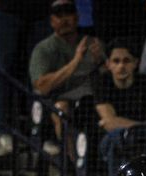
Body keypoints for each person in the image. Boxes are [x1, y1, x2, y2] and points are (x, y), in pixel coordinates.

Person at [28, 0, 105, 155]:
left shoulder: (92, 44)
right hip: (58, 100)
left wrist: (102, 63)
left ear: (77, 17)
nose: (64, 20)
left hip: (91, 99)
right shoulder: (44, 49)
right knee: (61, 108)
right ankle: (74, 165)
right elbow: (42, 86)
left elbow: (109, 76)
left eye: (68, 15)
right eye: (59, 16)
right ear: (51, 21)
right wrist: (76, 60)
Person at [94, 38, 146, 176]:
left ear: (135, 63)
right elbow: (110, 123)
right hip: (110, 141)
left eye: (126, 61)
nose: (121, 66)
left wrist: (130, 126)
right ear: (108, 64)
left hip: (143, 138)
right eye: (116, 61)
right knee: (116, 136)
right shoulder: (102, 83)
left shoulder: (145, 83)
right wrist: (141, 126)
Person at [0, 0, 52, 156]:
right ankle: (3, 133)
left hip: (41, 13)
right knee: (4, 73)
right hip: (6, 10)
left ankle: (38, 134)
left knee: (39, 75)